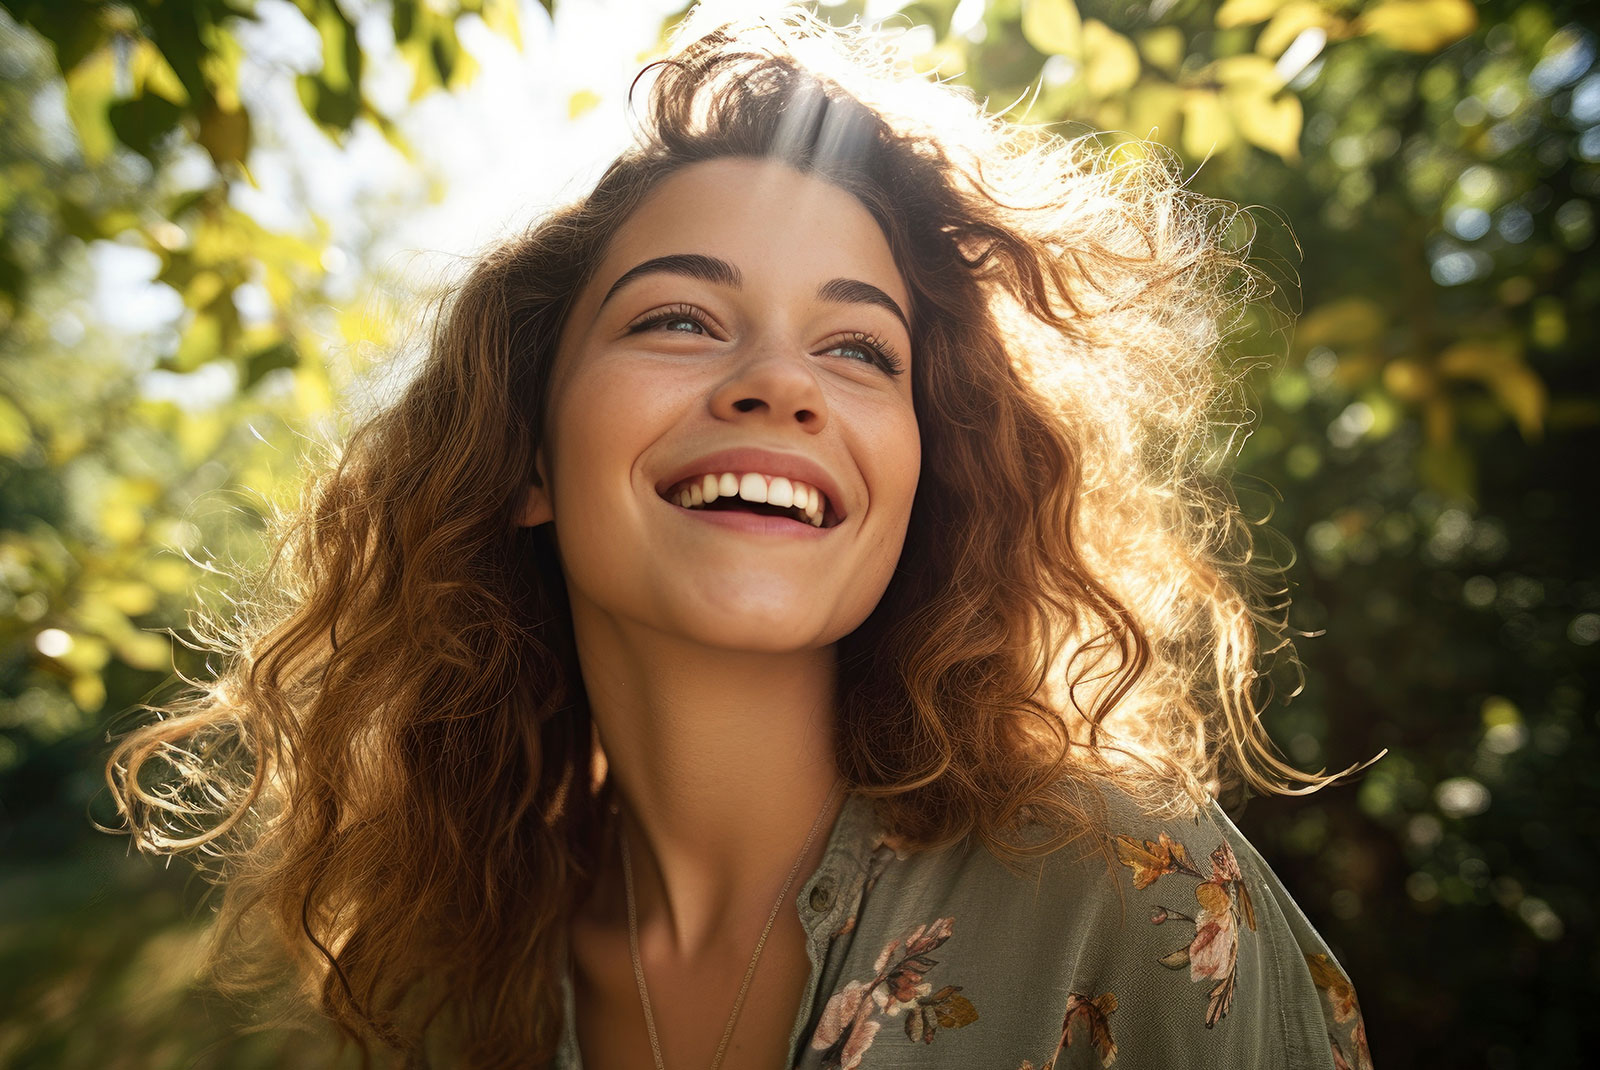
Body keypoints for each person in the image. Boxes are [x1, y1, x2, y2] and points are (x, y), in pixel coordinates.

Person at [106, 7, 1374, 1069]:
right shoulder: (452, 972)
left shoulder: (1135, 893)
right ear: (528, 456)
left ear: (927, 471)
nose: (782, 382)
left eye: (857, 347)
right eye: (678, 318)